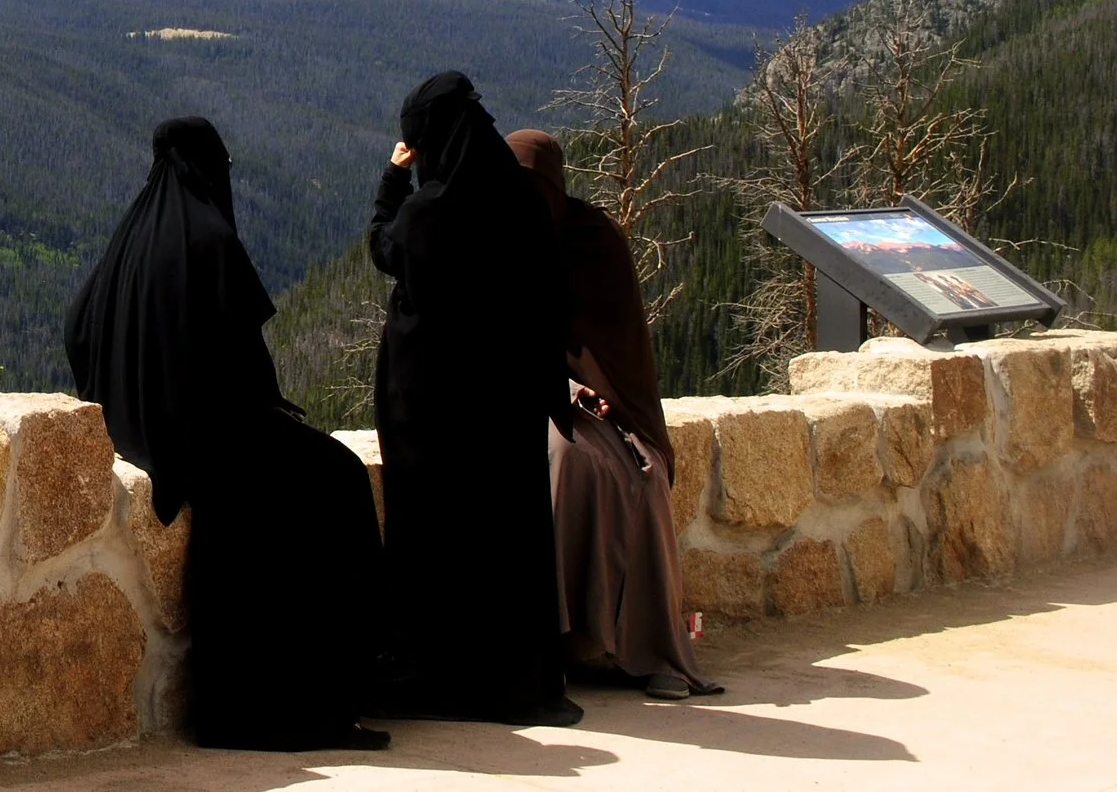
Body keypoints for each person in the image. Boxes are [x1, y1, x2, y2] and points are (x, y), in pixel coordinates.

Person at [66, 117, 390, 753]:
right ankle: (324, 701)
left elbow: (79, 327)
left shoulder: (130, 237)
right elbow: (242, 369)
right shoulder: (210, 240)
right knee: (340, 480)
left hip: (141, 432)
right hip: (211, 437)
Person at [367, 73, 580, 727]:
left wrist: (389, 183)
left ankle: (439, 677)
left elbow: (384, 248)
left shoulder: (430, 212)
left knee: (438, 540)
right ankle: (516, 679)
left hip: (436, 416)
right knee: (507, 540)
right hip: (508, 411)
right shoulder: (521, 200)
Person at [508, 129, 719, 701]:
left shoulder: (594, 239)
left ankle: (651, 648)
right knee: (563, 459)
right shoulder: (501, 240)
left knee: (642, 476)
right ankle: (550, 641)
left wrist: (591, 387)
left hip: (614, 408)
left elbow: (614, 343)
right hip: (533, 398)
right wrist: (561, 383)